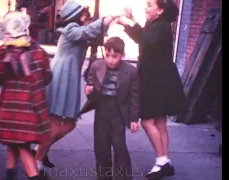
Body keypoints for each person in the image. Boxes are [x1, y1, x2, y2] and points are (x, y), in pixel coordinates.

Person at [32, 0, 122, 172]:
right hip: (61, 78)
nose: (85, 15)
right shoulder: (71, 29)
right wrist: (109, 18)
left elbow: (93, 34)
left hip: (68, 78)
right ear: (74, 16)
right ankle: (37, 160)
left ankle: (39, 149)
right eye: (82, 13)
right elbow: (89, 31)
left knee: (68, 124)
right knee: (57, 123)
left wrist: (112, 23)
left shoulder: (76, 30)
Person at [115, 0, 188, 179]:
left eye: (149, 5)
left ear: (160, 10)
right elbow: (144, 38)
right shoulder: (157, 25)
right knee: (160, 122)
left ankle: (161, 161)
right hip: (159, 78)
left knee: (147, 121)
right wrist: (131, 19)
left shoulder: (161, 26)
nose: (145, 8)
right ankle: (166, 161)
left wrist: (126, 23)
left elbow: (145, 39)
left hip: (156, 80)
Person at [0, 11, 52, 180]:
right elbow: (47, 77)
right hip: (34, 108)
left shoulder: (3, 52)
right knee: (14, 144)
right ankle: (9, 176)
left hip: (12, 110)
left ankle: (34, 176)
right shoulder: (39, 51)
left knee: (22, 146)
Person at [83, 37, 139, 180]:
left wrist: (134, 119)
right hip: (102, 109)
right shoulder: (96, 66)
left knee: (119, 145)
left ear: (122, 55)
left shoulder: (131, 71)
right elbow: (91, 85)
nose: (110, 60)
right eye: (107, 55)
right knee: (101, 146)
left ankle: (123, 177)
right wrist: (88, 90)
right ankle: (103, 177)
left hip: (118, 111)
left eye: (115, 56)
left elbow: (134, 96)